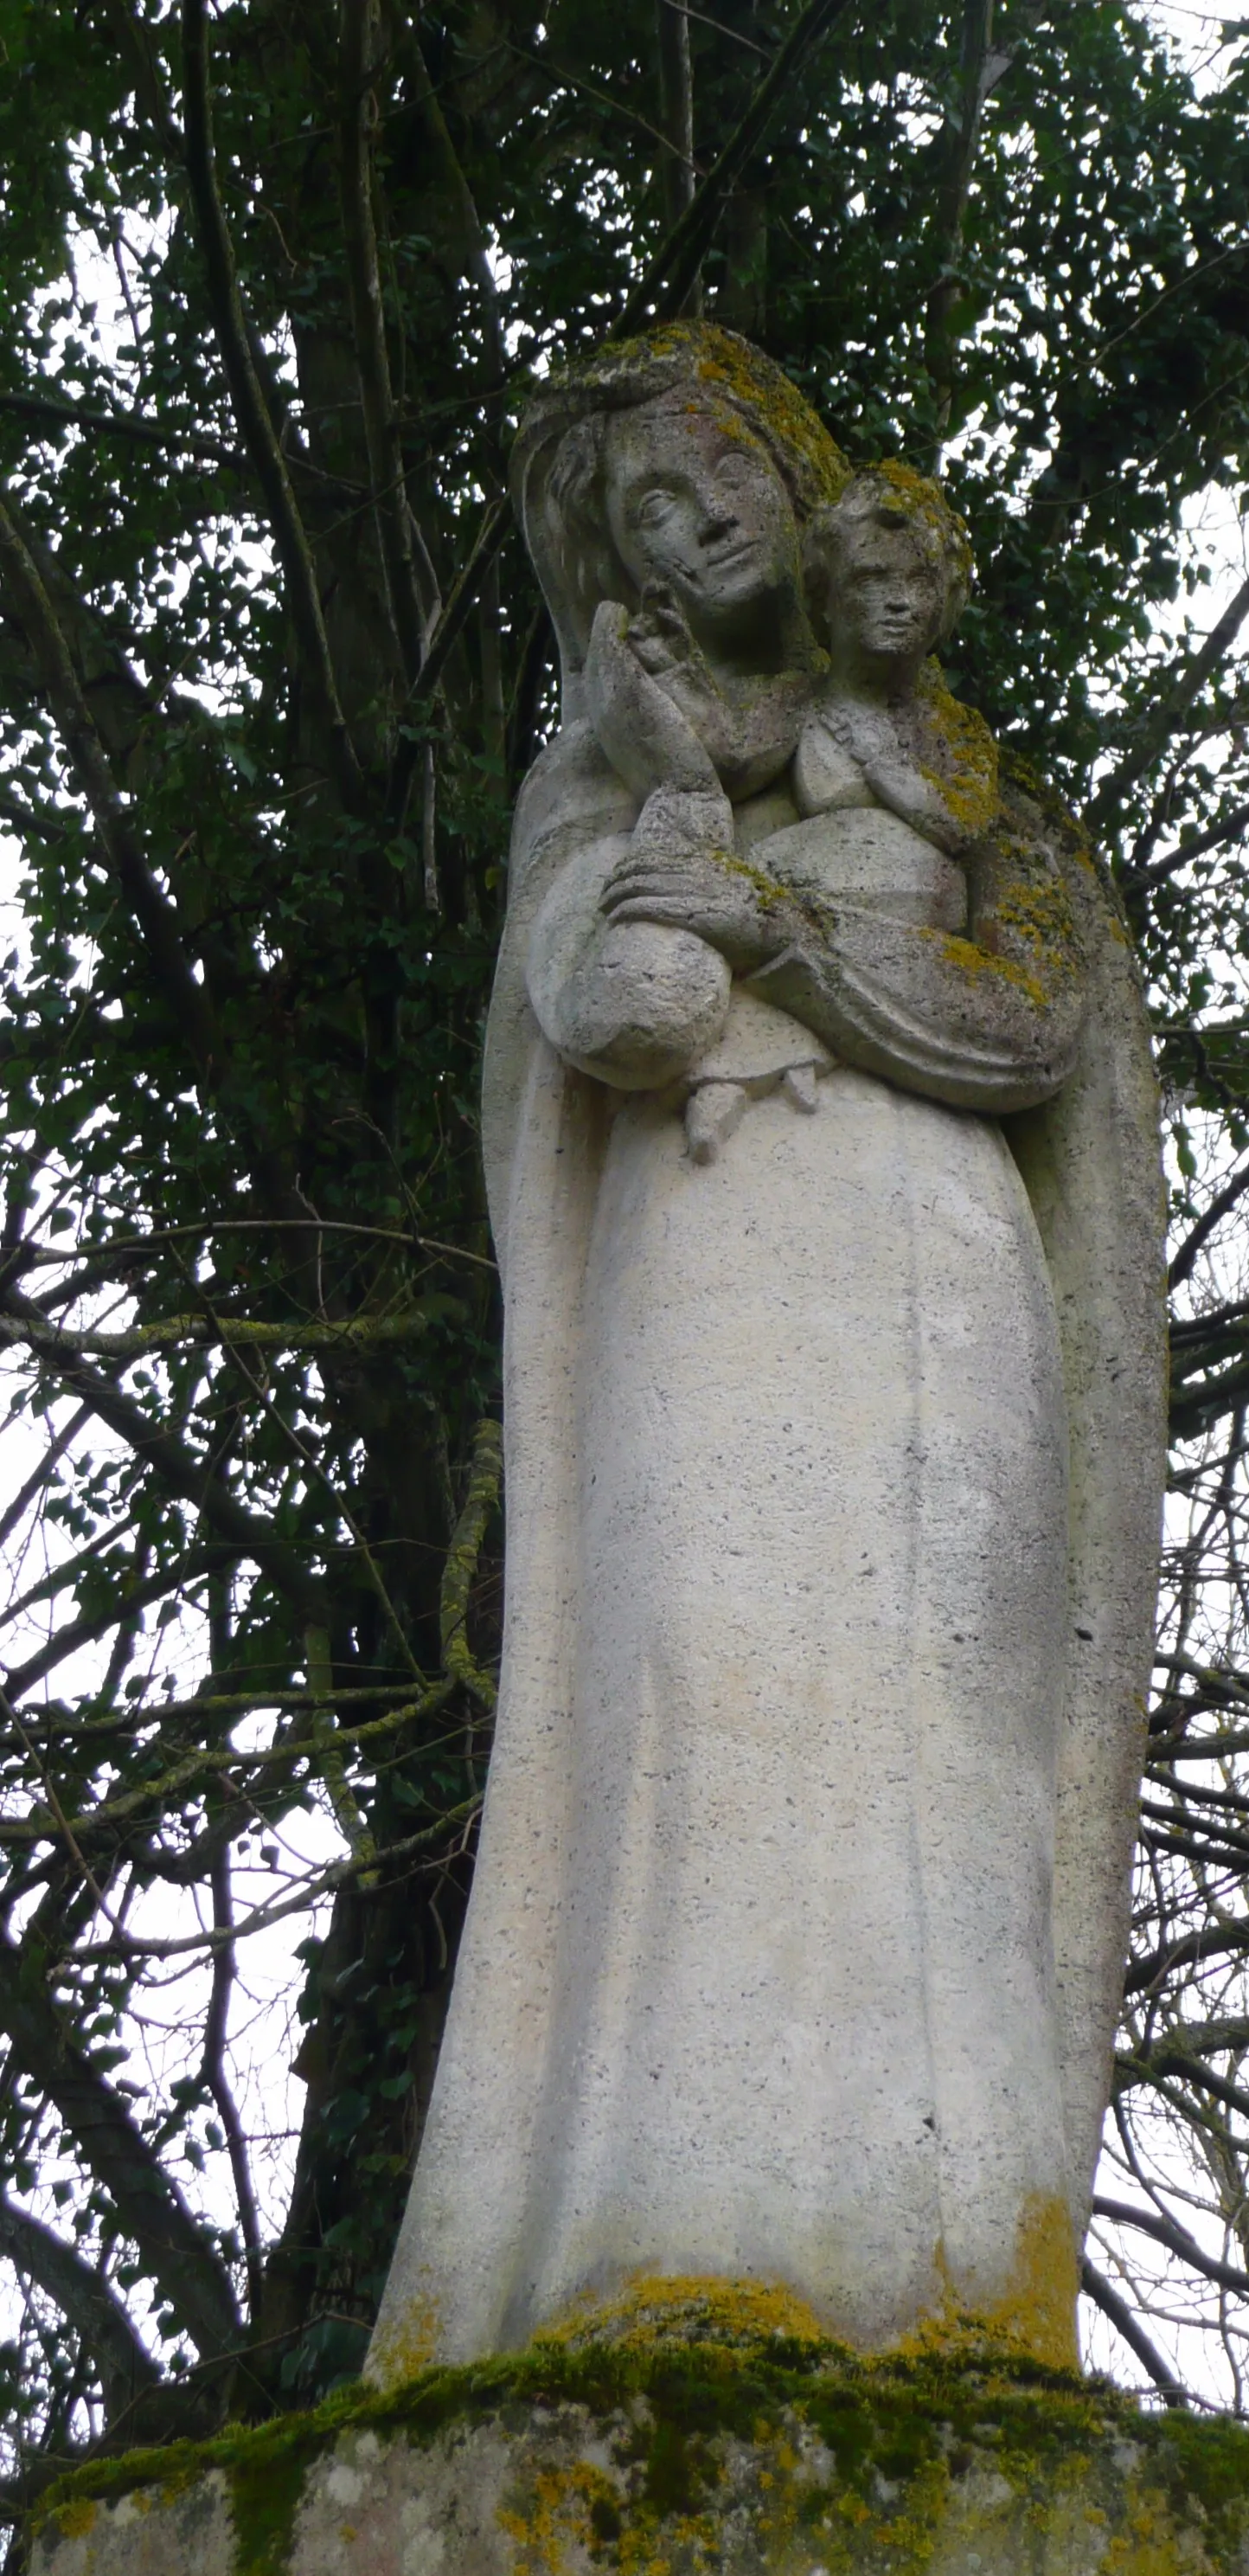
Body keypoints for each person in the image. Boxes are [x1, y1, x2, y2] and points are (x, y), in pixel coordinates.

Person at [368, 327, 1165, 2385]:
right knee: (695, 1703)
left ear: (790, 478)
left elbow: (1035, 1031)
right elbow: (609, 1016)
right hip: (706, 1268)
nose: (693, 509)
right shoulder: (599, 780)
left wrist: (773, 923)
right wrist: (659, 833)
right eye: (642, 506)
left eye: (715, 462)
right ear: (610, 580)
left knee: (937, 1738)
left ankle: (952, 2280)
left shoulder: (954, 767)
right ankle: (667, 2240)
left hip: (935, 1267)